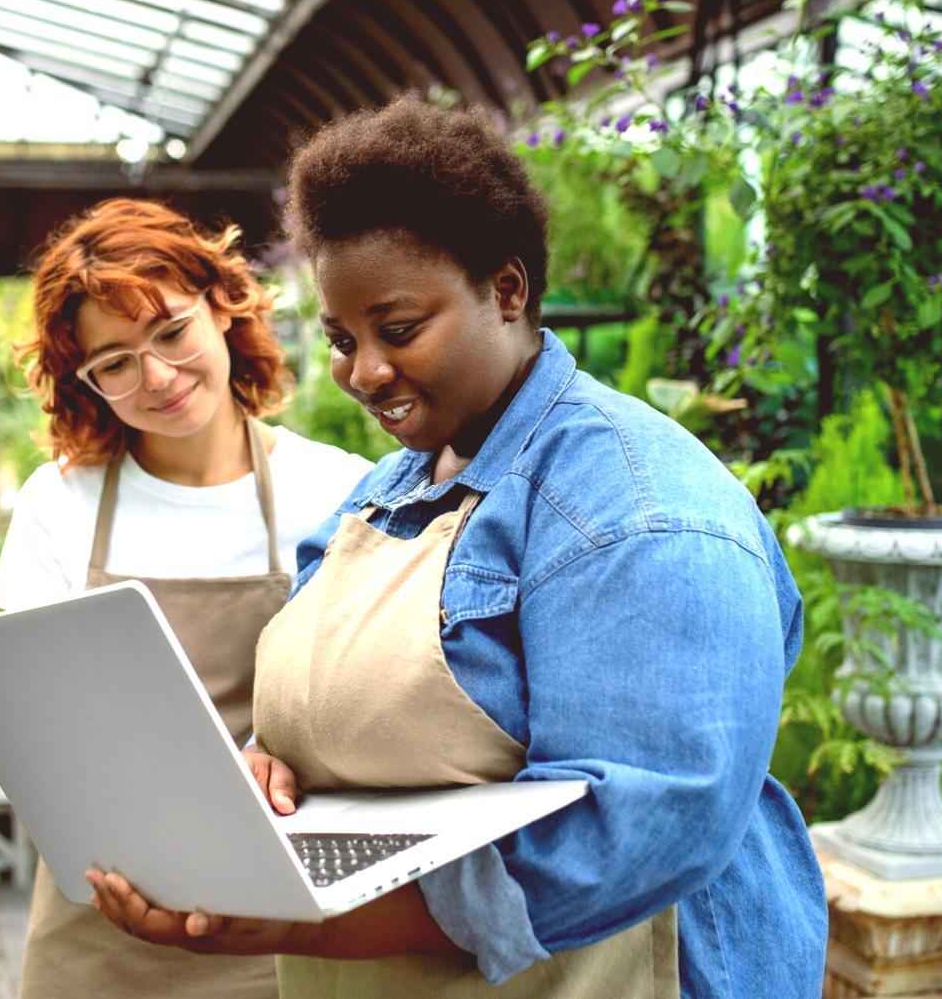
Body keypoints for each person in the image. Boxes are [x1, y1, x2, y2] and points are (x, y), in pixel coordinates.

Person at [85, 98, 828, 997]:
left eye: (397, 331)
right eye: (340, 340)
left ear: (506, 289)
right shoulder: (389, 489)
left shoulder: (638, 509)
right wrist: (267, 769)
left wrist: (312, 918)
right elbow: (323, 705)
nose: (364, 373)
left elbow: (643, 824)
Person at [0, 198, 374, 999]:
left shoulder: (335, 491)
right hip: (101, 923)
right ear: (84, 381)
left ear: (223, 308)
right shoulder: (58, 504)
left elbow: (371, 710)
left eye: (170, 332)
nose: (157, 378)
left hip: (286, 922)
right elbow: (29, 730)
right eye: (115, 362)